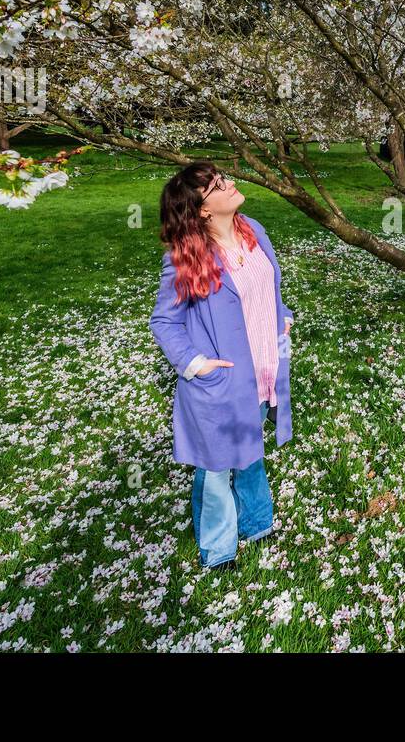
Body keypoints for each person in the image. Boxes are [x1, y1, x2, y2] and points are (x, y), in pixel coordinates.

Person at [149, 161, 294, 570]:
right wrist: (195, 364)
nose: (230, 183)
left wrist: (282, 316)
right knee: (215, 470)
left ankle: (257, 524)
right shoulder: (186, 259)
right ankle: (218, 550)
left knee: (250, 452)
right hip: (222, 381)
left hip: (264, 370)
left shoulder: (254, 232)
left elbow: (270, 286)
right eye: (217, 184)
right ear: (202, 210)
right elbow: (164, 321)